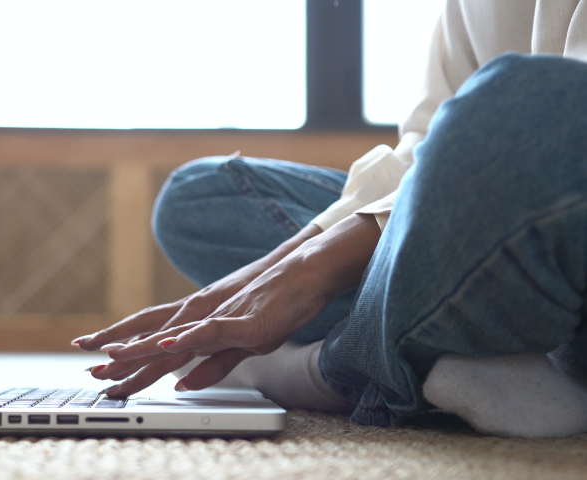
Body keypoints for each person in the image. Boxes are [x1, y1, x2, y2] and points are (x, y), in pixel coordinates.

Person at [72, 0, 587, 438]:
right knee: (200, 197)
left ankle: (327, 368)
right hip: (491, 236)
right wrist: (273, 273)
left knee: (528, 103)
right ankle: (461, 352)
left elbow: (542, 130)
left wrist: (311, 274)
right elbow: (431, 154)